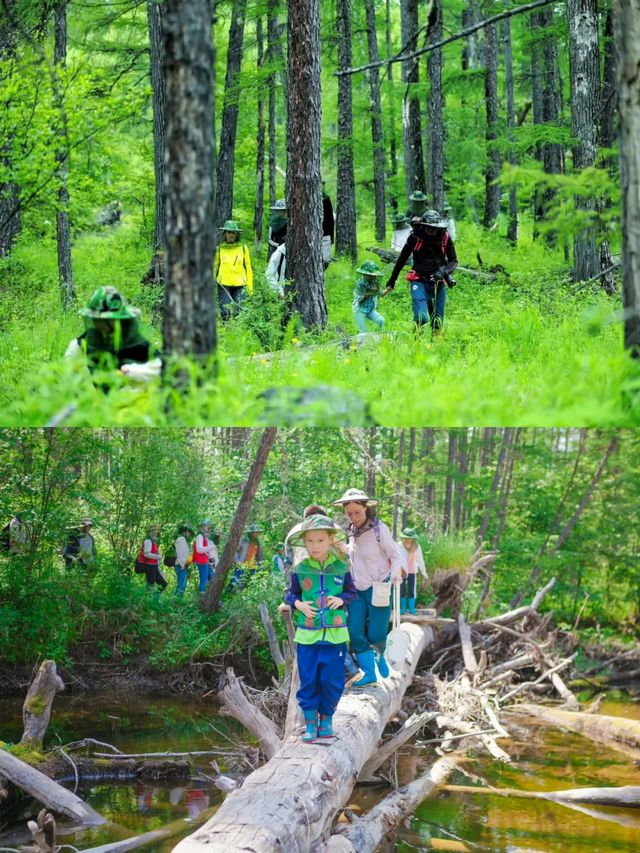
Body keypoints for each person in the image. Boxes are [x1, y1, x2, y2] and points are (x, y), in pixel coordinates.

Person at [283, 514, 358, 741]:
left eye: (320, 540)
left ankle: (326, 719)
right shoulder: (300, 569)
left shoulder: (341, 567)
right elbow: (290, 595)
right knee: (309, 679)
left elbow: (352, 592)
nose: (315, 546)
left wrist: (341, 599)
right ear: (304, 542)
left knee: (332, 680)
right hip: (307, 637)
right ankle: (310, 725)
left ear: (330, 540)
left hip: (335, 636)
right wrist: (298, 604)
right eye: (310, 541)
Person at [332, 488, 403, 686]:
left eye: (357, 512)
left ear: (366, 508)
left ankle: (380, 656)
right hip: (356, 590)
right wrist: (339, 545)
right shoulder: (351, 532)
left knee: (375, 634)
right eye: (349, 514)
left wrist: (394, 574)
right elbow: (352, 554)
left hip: (379, 587)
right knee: (354, 631)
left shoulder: (380, 529)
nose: (354, 517)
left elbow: (395, 555)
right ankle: (369, 674)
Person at [285, 503, 361, 685]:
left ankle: (344, 672)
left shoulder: (300, 531)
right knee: (331, 629)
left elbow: (287, 566)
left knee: (333, 629)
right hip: (312, 587)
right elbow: (346, 557)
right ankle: (347, 670)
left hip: (320, 590)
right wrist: (292, 599)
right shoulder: (325, 532)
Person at [382, 209, 458, 334]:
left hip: (438, 281)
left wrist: (443, 272)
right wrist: (392, 281)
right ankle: (415, 339)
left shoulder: (445, 237)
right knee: (421, 318)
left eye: (434, 228)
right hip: (419, 279)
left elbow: (453, 261)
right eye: (428, 228)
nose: (431, 231)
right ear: (423, 226)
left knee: (438, 320)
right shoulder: (415, 237)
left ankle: (436, 347)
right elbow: (402, 259)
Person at [65, 287, 161, 382]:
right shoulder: (82, 343)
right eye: (95, 319)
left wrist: (130, 372)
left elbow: (163, 368)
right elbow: (68, 375)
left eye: (99, 320)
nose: (96, 323)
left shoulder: (134, 342)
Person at [214, 221, 253, 321]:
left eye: (233, 233)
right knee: (224, 310)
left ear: (237, 234)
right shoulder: (219, 249)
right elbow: (215, 267)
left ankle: (238, 334)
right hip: (223, 283)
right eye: (229, 232)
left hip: (240, 283)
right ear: (225, 234)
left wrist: (250, 287)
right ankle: (226, 331)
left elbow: (248, 268)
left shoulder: (243, 248)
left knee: (239, 311)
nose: (231, 235)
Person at [397, 527, 428, 614]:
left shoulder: (417, 547)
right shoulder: (399, 545)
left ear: (413, 538)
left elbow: (420, 560)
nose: (408, 540)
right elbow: (396, 558)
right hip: (402, 571)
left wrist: (424, 572)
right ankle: (403, 609)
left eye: (410, 538)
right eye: (406, 538)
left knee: (412, 590)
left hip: (412, 571)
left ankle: (411, 609)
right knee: (401, 589)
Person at [352, 260, 385, 335]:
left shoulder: (375, 283)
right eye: (370, 276)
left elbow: (380, 294)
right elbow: (358, 299)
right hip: (360, 310)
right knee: (363, 332)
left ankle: (379, 337)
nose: (372, 277)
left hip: (370, 310)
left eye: (373, 276)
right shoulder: (360, 284)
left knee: (381, 320)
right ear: (364, 275)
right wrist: (370, 292)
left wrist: (388, 289)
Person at [231, 524, 263, 591]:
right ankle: (231, 597)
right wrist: (237, 562)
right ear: (251, 533)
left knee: (248, 585)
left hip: (252, 567)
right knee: (236, 583)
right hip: (241, 565)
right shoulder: (243, 540)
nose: (257, 534)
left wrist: (260, 566)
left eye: (258, 532)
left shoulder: (257, 542)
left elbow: (260, 556)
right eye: (255, 532)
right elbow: (234, 551)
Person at [192, 520, 218, 594]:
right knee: (203, 579)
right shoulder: (200, 536)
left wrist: (207, 551)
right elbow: (199, 549)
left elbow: (203, 549)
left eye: (209, 526)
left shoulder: (203, 536)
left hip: (204, 560)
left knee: (211, 578)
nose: (209, 528)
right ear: (202, 527)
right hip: (201, 561)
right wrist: (211, 547)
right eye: (207, 526)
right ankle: (201, 595)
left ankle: (210, 595)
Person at [141, 525, 167, 591]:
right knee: (150, 586)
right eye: (155, 531)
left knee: (163, 584)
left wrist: (160, 571)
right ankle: (147, 600)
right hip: (149, 566)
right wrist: (158, 556)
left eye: (156, 531)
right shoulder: (148, 541)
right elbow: (146, 554)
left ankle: (155, 599)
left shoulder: (153, 542)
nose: (156, 533)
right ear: (150, 532)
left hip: (154, 566)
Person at [174, 525, 194, 596]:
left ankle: (176, 601)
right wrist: (182, 564)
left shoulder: (183, 540)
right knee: (182, 585)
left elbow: (185, 553)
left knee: (182, 584)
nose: (189, 534)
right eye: (188, 532)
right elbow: (180, 553)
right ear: (184, 532)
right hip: (180, 565)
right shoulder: (181, 539)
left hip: (182, 565)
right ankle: (175, 601)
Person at [322, 183, 335, 269]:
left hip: (325, 235)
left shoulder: (326, 199)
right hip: (311, 236)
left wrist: (331, 238)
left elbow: (330, 219)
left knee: (326, 260)